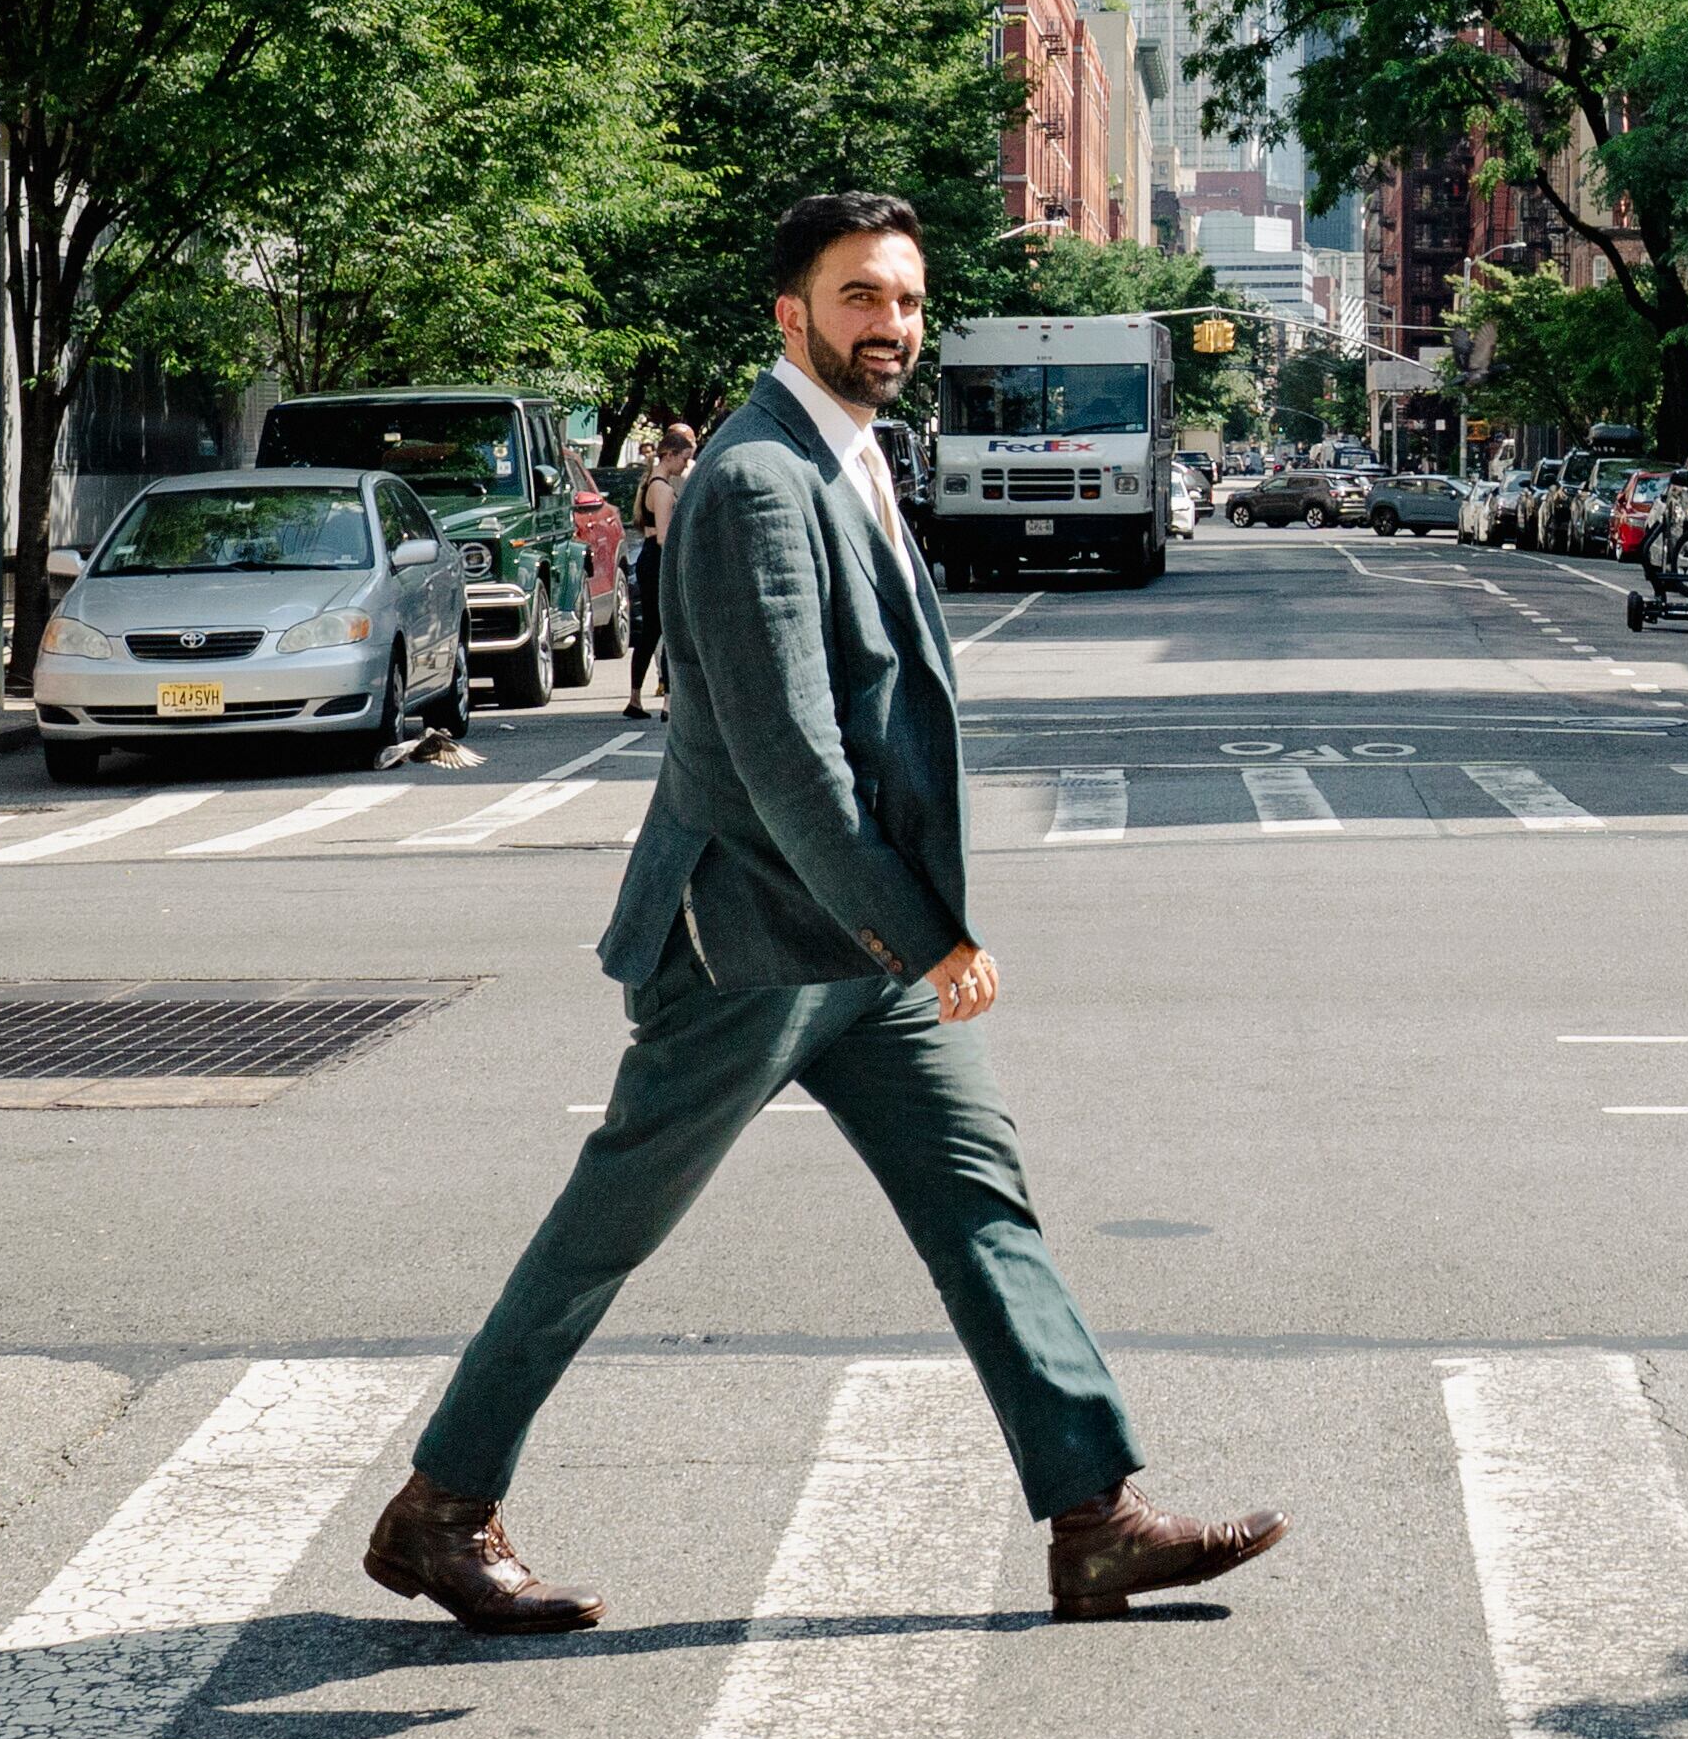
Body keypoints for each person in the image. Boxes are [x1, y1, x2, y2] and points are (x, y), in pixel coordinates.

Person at [362, 191, 1285, 1636]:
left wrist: (899, 936)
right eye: (860, 297)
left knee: (980, 1206)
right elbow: (788, 761)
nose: (890, 324)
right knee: (608, 1228)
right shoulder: (754, 481)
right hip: (751, 941)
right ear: (791, 314)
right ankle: (440, 1510)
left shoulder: (849, 453)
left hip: (856, 945)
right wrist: (925, 935)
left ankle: (1094, 1521)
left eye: (906, 299)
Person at [618, 418, 696, 719]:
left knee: (651, 631)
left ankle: (635, 699)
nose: (685, 465)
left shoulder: (650, 483)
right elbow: (664, 536)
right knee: (669, 629)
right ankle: (668, 703)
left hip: (649, 559)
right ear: (670, 455)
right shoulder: (662, 489)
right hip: (659, 560)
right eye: (684, 458)